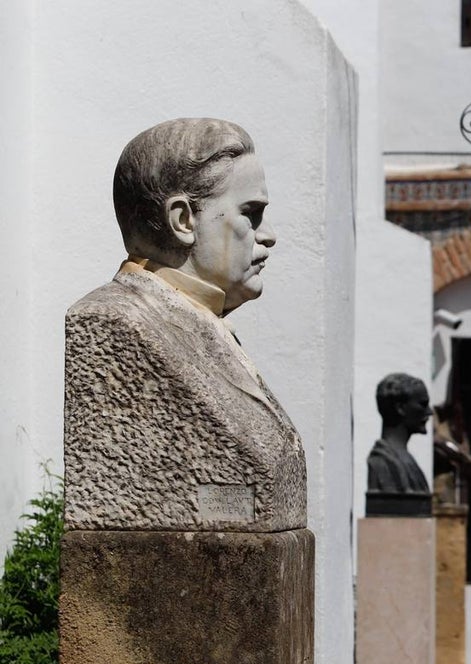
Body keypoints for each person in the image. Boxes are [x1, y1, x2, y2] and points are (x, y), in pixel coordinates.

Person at [65, 118, 305, 530]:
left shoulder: (206, 321)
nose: (269, 236)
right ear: (183, 220)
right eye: (252, 213)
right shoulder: (120, 323)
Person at [367, 373, 434, 494]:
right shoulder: (383, 462)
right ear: (400, 408)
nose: (429, 412)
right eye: (423, 404)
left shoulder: (404, 460)